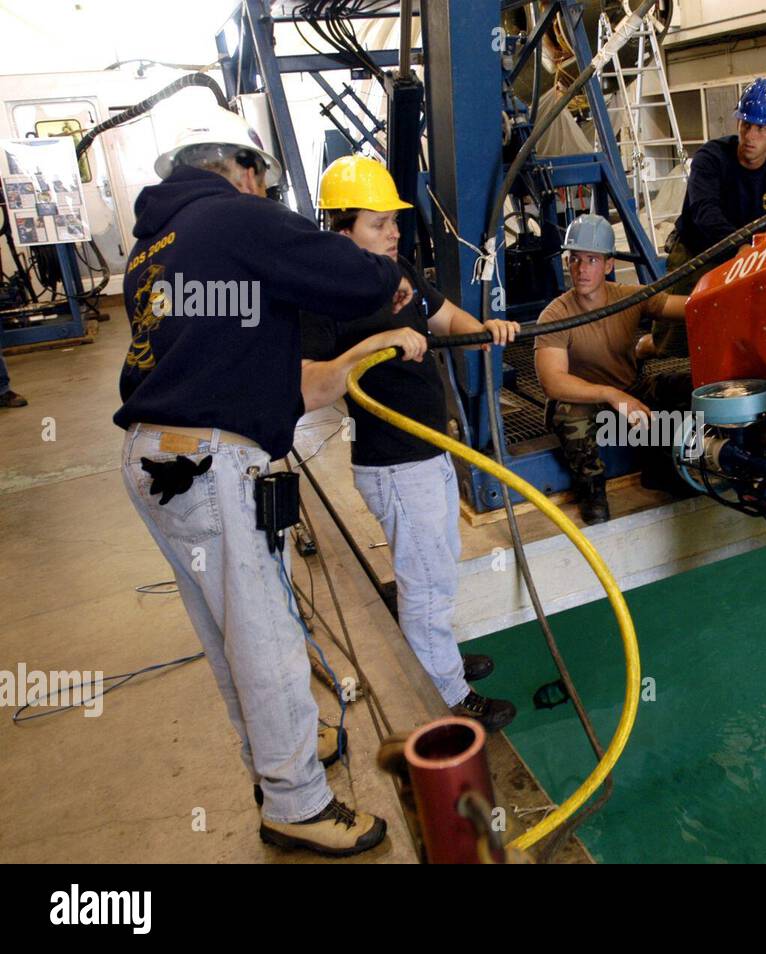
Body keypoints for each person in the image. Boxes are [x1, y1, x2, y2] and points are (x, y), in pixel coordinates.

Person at [114, 108, 414, 857]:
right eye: (264, 180)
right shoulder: (234, 217)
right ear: (245, 169)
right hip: (209, 464)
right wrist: (390, 278)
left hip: (156, 457)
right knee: (270, 640)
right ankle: (298, 804)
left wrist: (348, 365)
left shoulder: (156, 246)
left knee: (229, 635)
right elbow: (349, 276)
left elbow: (254, 369)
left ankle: (275, 765)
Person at [300, 155, 520, 732]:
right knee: (425, 582)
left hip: (430, 453)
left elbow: (445, 317)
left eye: (395, 220)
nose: (395, 232)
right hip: (395, 464)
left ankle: (438, 657)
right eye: (379, 223)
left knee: (439, 565)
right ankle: (447, 694)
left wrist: (483, 330)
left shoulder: (397, 274)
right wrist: (381, 340)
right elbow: (309, 388)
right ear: (342, 229)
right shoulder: (325, 296)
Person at [641, 77, 766, 359]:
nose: (750, 136)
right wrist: (741, 246)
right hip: (700, 252)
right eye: (745, 124)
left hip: (753, 258)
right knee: (672, 345)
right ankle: (642, 352)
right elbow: (705, 212)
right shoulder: (711, 157)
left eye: (761, 128)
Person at [534, 213, 693, 525]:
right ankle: (591, 488)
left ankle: (664, 466)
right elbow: (553, 382)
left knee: (694, 388)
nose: (581, 270)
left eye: (591, 260)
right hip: (587, 400)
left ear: (608, 265)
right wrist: (611, 395)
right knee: (569, 414)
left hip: (630, 390)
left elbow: (689, 306)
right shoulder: (555, 315)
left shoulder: (628, 298)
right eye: (575, 259)